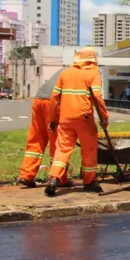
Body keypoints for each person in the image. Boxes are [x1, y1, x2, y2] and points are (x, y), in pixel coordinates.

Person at [45, 47, 108, 197]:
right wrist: (104, 118)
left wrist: (53, 119)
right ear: (93, 59)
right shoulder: (93, 74)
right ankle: (89, 182)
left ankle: (54, 179)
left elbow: (54, 99)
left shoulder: (65, 73)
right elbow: (98, 97)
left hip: (65, 119)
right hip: (84, 118)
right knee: (89, 151)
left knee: (62, 150)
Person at [17, 68, 66, 188]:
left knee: (37, 139)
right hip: (53, 103)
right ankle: (59, 178)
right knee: (58, 143)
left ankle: (26, 175)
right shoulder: (81, 73)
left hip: (39, 99)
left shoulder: (66, 69)